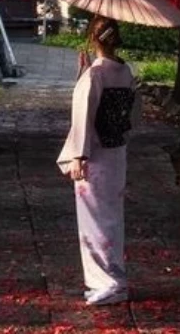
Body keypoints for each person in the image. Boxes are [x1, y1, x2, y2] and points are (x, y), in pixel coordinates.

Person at [56, 16, 136, 306]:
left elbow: (84, 114)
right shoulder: (125, 71)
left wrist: (79, 155)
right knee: (112, 217)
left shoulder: (96, 75)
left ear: (94, 38)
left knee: (94, 220)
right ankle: (114, 278)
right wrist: (84, 71)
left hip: (94, 154)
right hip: (116, 151)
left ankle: (108, 282)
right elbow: (130, 115)